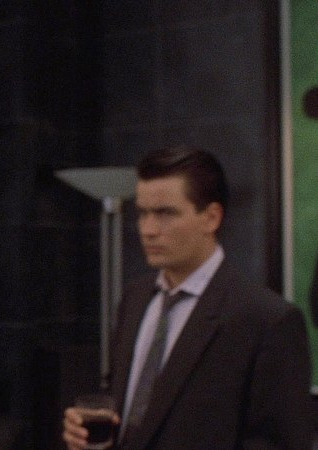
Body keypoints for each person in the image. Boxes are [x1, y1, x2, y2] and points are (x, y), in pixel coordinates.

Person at [62, 145, 313, 449]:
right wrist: (86, 429)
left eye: (165, 213)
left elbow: (279, 443)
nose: (148, 230)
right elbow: (124, 398)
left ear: (211, 218)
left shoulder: (267, 320)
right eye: (142, 213)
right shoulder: (135, 298)